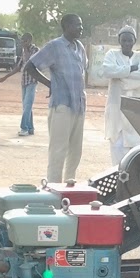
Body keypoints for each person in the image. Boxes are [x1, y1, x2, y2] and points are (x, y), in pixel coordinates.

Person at [25, 15, 88, 182]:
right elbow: (30, 66)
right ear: (67, 26)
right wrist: (49, 83)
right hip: (62, 105)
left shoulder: (80, 47)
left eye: (81, 25)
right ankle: (54, 190)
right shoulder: (55, 46)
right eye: (77, 25)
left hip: (79, 105)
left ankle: (69, 185)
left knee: (76, 150)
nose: (81, 28)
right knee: (58, 151)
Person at [100, 25, 140, 164]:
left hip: (136, 109)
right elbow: (107, 71)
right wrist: (131, 69)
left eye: (129, 40)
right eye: (123, 40)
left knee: (136, 148)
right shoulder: (112, 54)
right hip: (116, 107)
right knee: (117, 145)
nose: (126, 44)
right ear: (119, 40)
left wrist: (121, 77)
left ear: (134, 41)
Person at [0, 33, 40, 136]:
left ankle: (24, 128)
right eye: (21, 41)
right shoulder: (23, 51)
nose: (22, 43)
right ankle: (30, 128)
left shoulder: (35, 50)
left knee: (27, 105)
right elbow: (19, 67)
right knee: (27, 106)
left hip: (32, 81)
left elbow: (30, 63)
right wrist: (6, 77)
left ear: (29, 41)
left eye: (24, 41)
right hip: (24, 81)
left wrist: (26, 50)